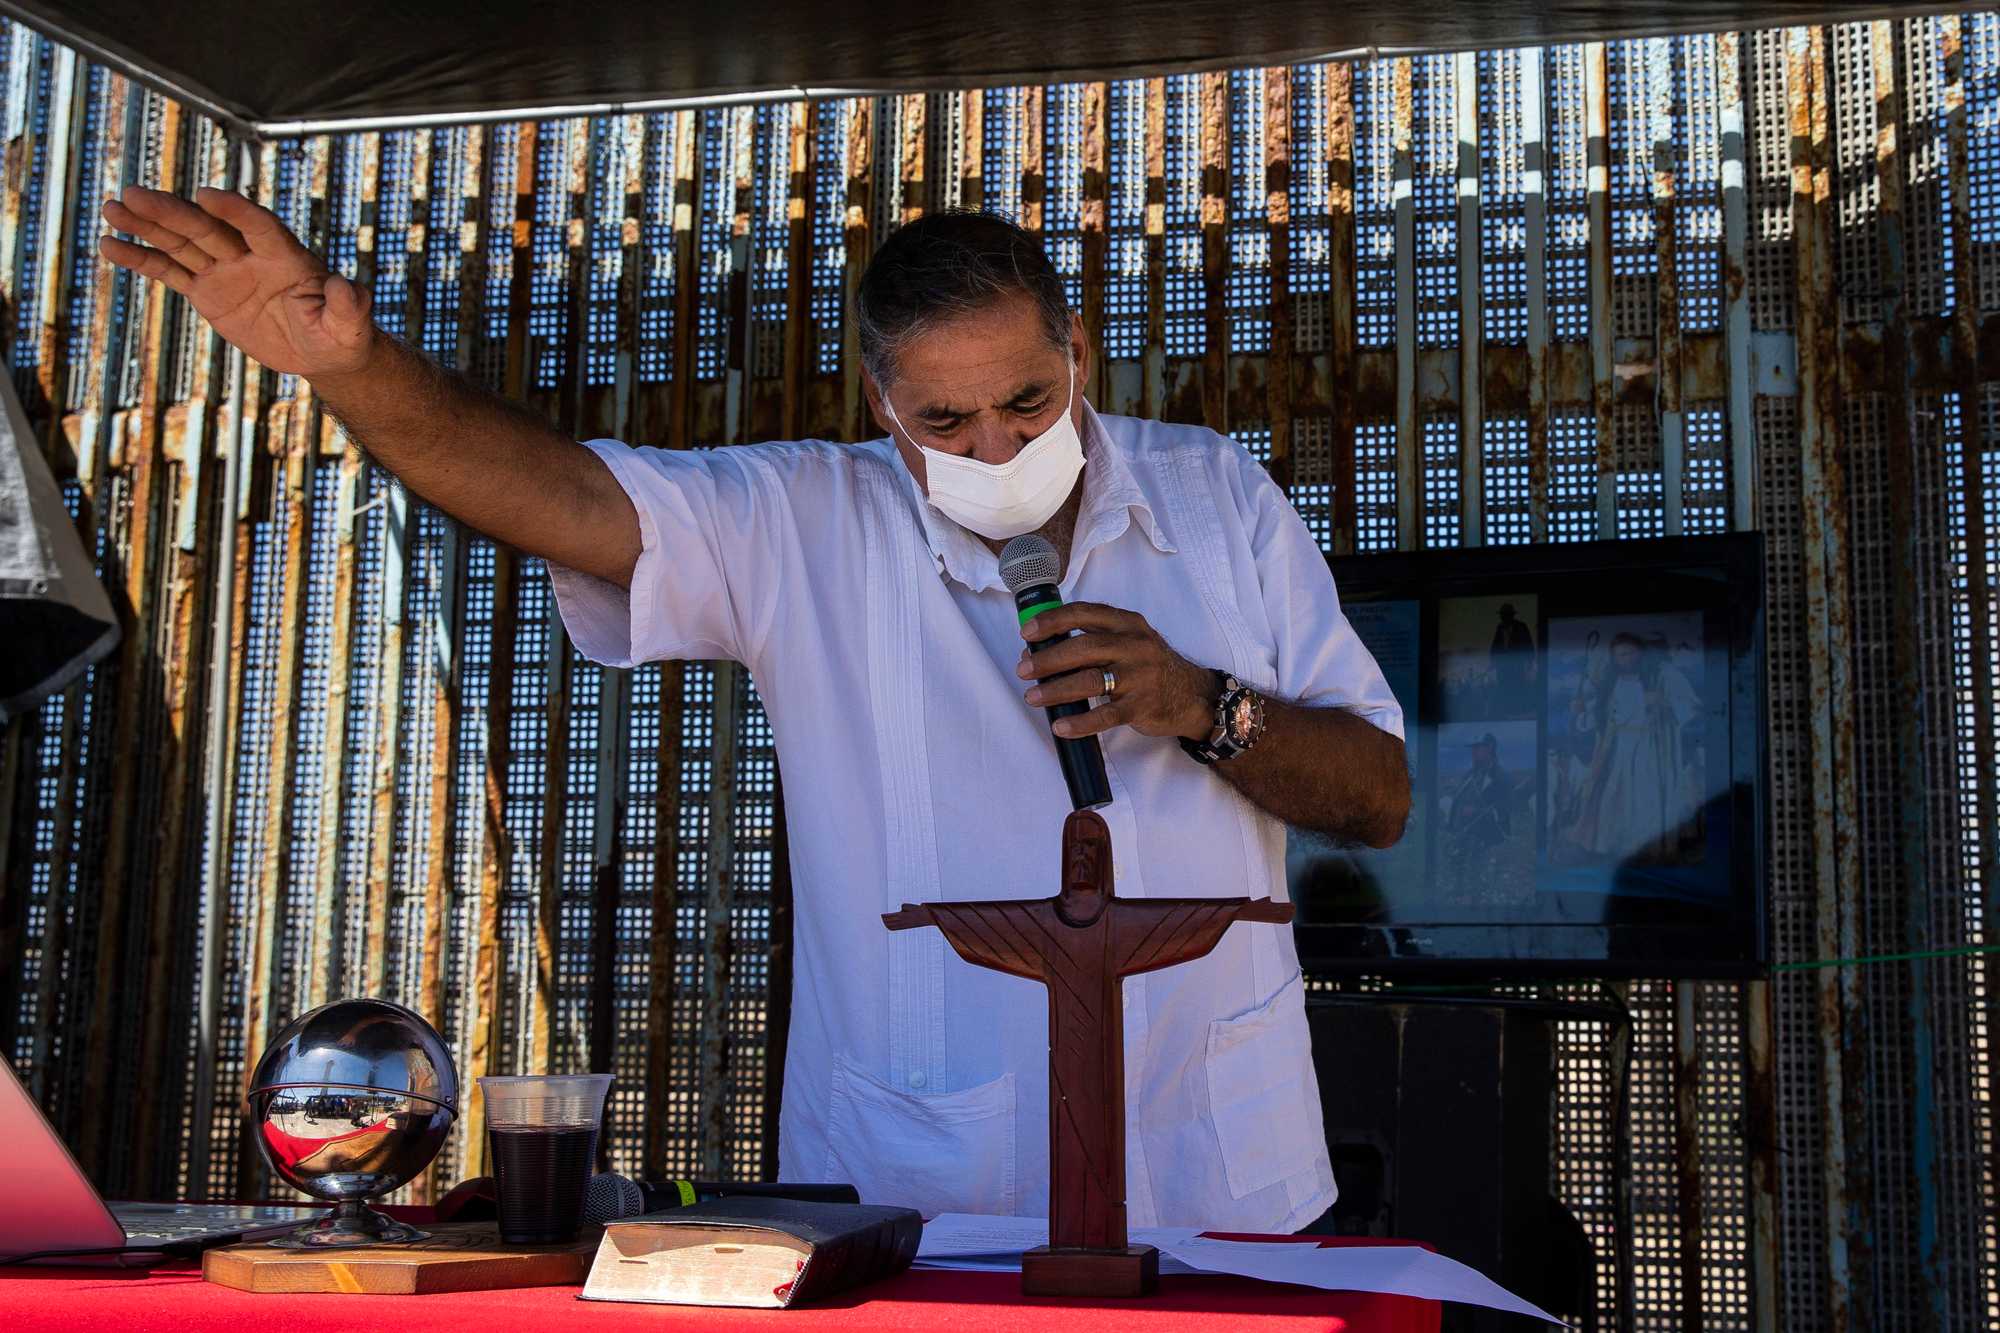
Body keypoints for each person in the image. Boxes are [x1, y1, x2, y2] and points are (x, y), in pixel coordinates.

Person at [98, 188, 1410, 1234]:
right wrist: (353, 364)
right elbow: (556, 496)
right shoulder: (803, 520)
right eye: (946, 422)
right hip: (921, 1193)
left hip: (1218, 1172)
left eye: (1028, 401)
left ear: (1081, 347)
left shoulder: (1217, 496)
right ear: (878, 405)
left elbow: (1378, 795)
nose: (1000, 452)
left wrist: (1203, 700)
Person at [1488, 602, 1536, 716]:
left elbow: (1529, 644)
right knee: (1504, 687)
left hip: (1516, 663)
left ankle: (1518, 710)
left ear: (1511, 615)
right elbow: (1494, 646)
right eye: (1502, 615)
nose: (1502, 617)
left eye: (1504, 615)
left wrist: (1530, 661)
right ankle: (1507, 710)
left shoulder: (1521, 626)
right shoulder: (1500, 627)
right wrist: (1493, 661)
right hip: (1503, 665)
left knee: (1517, 686)